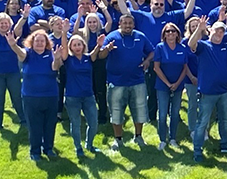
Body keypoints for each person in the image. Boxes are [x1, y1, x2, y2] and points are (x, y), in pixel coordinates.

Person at [187, 20, 227, 162]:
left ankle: (225, 145)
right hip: (207, 93)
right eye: (217, 30)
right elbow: (191, 44)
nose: (219, 33)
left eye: (222, 31)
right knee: (202, 123)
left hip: (223, 92)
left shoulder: (226, 47)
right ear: (210, 31)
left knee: (224, 120)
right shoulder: (203, 46)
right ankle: (197, 151)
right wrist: (199, 30)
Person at [99, 14, 155, 150]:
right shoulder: (112, 37)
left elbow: (152, 51)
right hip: (116, 82)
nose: (128, 26)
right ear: (120, 24)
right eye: (125, 23)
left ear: (133, 24)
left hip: (138, 80)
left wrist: (147, 61)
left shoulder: (140, 36)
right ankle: (118, 139)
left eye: (130, 23)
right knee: (116, 111)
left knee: (140, 110)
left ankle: (138, 136)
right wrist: (107, 49)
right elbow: (101, 55)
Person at [7, 29, 61, 161]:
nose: (40, 43)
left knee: (49, 124)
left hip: (50, 96)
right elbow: (20, 52)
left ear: (46, 43)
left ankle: (48, 148)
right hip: (31, 97)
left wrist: (58, 57)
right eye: (37, 41)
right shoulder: (27, 54)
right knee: (34, 125)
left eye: (42, 41)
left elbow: (55, 67)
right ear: (32, 42)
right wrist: (13, 44)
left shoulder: (51, 54)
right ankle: (35, 151)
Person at [59, 31, 105, 157]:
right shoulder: (68, 59)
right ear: (71, 47)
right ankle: (78, 147)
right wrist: (64, 33)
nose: (77, 47)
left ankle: (89, 144)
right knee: (76, 123)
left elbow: (95, 52)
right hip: (72, 97)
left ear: (83, 45)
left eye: (79, 44)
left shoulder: (88, 58)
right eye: (74, 45)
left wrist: (99, 45)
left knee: (93, 122)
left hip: (88, 96)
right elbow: (63, 48)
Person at [153, 22, 191, 151]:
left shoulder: (182, 48)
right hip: (162, 86)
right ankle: (162, 140)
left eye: (173, 31)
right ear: (164, 34)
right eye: (168, 31)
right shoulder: (159, 47)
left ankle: (173, 138)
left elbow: (185, 68)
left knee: (175, 113)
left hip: (178, 86)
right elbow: (156, 68)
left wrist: (177, 83)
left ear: (177, 34)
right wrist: (168, 83)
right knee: (163, 114)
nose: (170, 33)